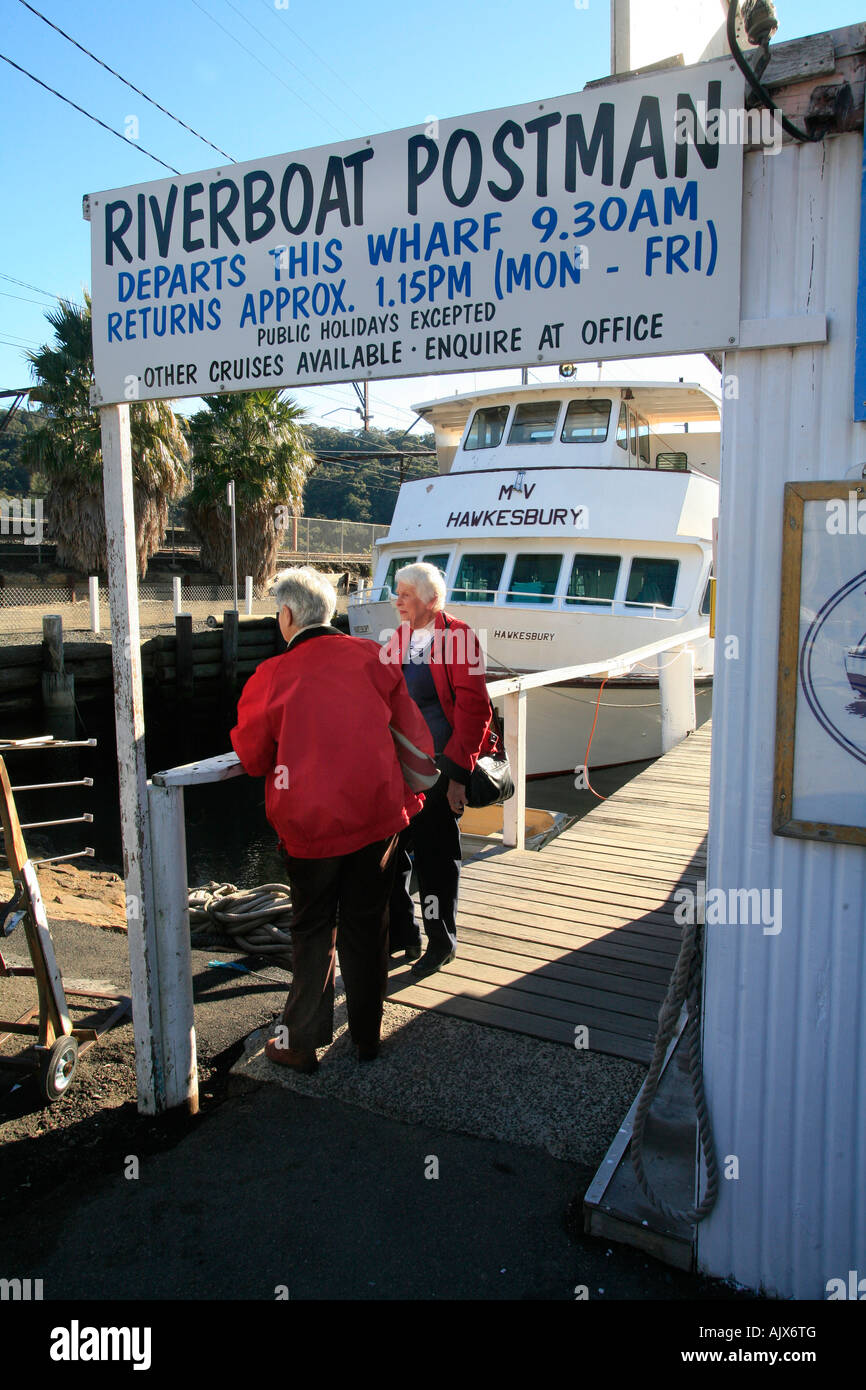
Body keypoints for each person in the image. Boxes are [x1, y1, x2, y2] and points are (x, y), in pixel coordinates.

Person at [231, 566, 436, 1073]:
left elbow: (254, 757)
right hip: (377, 819)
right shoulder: (371, 656)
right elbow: (411, 731)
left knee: (313, 929)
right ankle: (367, 1037)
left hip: (310, 829)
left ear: (286, 616)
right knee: (368, 927)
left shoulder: (271, 675)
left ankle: (299, 1043)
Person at [383, 562, 495, 978]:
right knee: (392, 855)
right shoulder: (400, 637)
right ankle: (403, 934)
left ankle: (441, 943)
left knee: (436, 860)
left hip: (439, 771)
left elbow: (474, 709)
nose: (398, 601)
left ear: (431, 600)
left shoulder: (456, 636)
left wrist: (457, 777)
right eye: (398, 593)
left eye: (407, 594)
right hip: (401, 770)